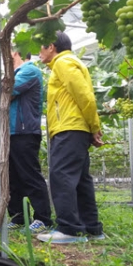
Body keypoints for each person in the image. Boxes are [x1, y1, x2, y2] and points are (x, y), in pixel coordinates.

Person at [36, 31, 104, 244]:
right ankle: (92, 228)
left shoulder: (63, 63)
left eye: (41, 46)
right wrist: (91, 127)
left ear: (51, 46)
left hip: (69, 128)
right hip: (76, 128)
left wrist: (95, 127)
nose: (39, 52)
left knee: (61, 176)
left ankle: (69, 229)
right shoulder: (68, 63)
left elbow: (85, 96)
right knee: (81, 180)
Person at [7, 50, 53, 234]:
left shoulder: (29, 70)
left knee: (29, 175)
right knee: (14, 178)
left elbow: (7, 91)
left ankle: (43, 218)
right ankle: (19, 216)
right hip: (12, 132)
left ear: (16, 52)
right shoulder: (15, 74)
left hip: (25, 132)